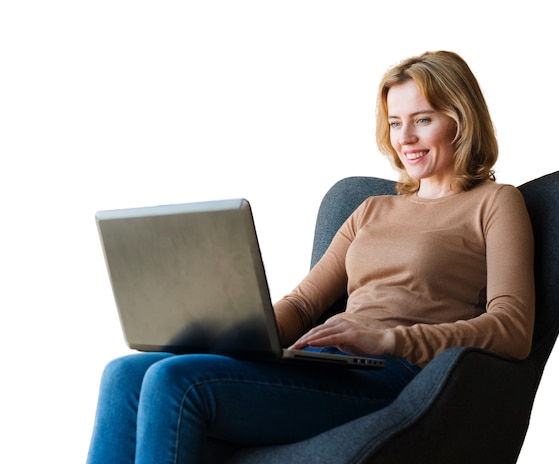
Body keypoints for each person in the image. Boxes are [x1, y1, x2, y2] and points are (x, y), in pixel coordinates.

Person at [86, 50, 535, 463]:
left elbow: (513, 328)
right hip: (334, 366)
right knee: (125, 374)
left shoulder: (495, 203)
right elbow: (302, 305)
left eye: (422, 119)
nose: (405, 138)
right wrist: (237, 329)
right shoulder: (372, 209)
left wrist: (389, 341)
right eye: (395, 123)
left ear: (460, 119)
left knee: (174, 383)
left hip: (396, 377)